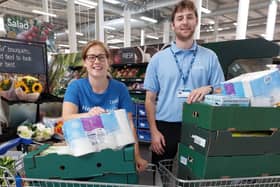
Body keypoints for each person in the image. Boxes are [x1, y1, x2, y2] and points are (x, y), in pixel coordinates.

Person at [143, 0, 225, 165]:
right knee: (161, 173)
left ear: (196, 22)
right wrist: (153, 132)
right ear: (173, 25)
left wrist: (208, 88)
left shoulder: (210, 57)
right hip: (165, 126)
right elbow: (150, 99)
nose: (185, 22)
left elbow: (222, 91)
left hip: (199, 124)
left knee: (194, 171)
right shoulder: (158, 59)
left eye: (189, 17)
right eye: (180, 18)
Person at [62, 40, 148, 172]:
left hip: (113, 151)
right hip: (84, 153)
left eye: (101, 57)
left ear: (108, 61)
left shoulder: (120, 89)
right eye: (91, 57)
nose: (96, 61)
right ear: (85, 62)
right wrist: (89, 115)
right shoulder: (76, 87)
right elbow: (67, 118)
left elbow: (129, 124)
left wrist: (136, 156)